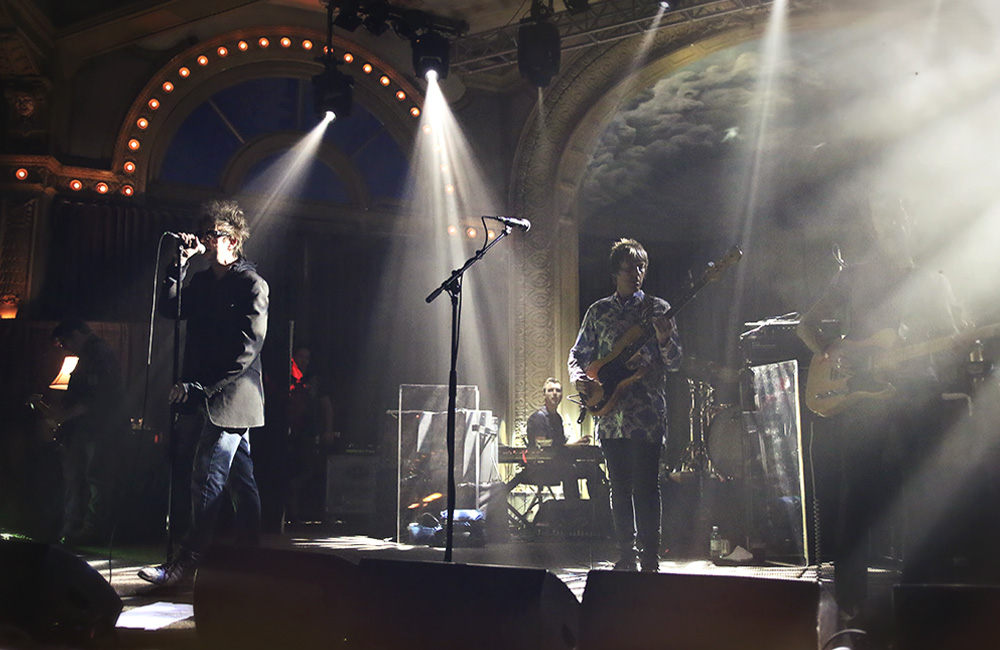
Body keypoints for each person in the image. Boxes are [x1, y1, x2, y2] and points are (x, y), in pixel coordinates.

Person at [796, 186, 965, 625]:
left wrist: (952, 338)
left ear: (909, 217)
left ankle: (921, 606)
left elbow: (951, 343)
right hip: (866, 405)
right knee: (861, 503)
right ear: (872, 221)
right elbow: (806, 325)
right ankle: (850, 610)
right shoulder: (853, 275)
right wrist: (833, 355)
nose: (887, 221)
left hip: (918, 398)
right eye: (878, 213)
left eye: (894, 212)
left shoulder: (933, 280)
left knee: (923, 500)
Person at [139, 199, 269, 588]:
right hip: (210, 395)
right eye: (207, 234)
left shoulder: (251, 285)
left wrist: (204, 388)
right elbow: (170, 308)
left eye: (214, 235)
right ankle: (251, 561)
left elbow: (248, 350)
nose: (207, 241)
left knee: (206, 478)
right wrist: (179, 264)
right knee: (241, 485)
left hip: (232, 396)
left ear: (233, 240)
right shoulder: (201, 281)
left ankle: (185, 565)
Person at [569, 238, 683, 572]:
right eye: (630, 267)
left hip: (647, 412)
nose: (637, 273)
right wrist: (580, 377)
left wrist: (664, 340)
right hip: (609, 412)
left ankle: (651, 556)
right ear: (615, 272)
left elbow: (675, 362)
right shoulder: (598, 311)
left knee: (647, 486)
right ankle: (626, 554)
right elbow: (578, 354)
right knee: (618, 488)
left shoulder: (658, 309)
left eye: (641, 267)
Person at [49, 318, 129, 545]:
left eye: (64, 342)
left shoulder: (98, 354)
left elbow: (97, 398)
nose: (65, 348)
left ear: (75, 334)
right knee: (84, 478)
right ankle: (77, 527)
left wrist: (63, 416)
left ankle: (91, 531)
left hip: (99, 430)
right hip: (91, 430)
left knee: (96, 479)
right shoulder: (93, 354)